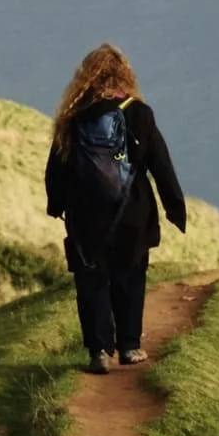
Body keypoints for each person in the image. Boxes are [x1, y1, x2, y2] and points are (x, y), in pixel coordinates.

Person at [44, 43, 185, 376]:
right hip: (132, 212)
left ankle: (99, 351)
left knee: (91, 279)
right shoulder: (139, 113)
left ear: (85, 77)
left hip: (86, 212)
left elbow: (56, 169)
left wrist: (57, 205)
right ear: (125, 74)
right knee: (130, 275)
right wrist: (174, 207)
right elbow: (160, 165)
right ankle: (130, 346)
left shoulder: (74, 116)